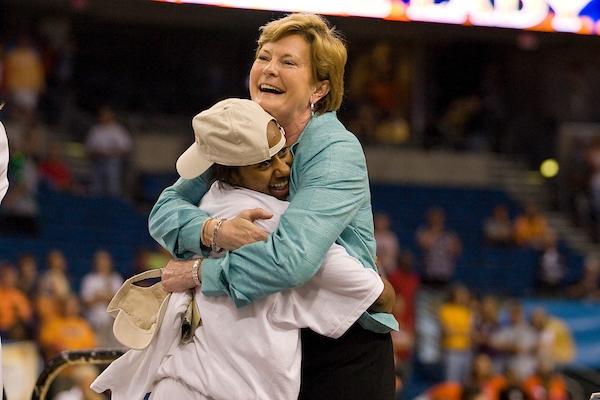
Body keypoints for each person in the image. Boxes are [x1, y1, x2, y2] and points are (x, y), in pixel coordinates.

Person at [148, 13, 396, 399]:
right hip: (268, 340)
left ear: (318, 89)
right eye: (264, 57)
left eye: (288, 62)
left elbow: (291, 260)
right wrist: (215, 230)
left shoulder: (335, 150)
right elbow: (164, 209)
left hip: (339, 348)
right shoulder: (243, 130)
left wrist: (198, 272)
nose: (269, 69)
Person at [92, 98, 389, 399]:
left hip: (175, 386)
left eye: (283, 153)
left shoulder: (200, 204)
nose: (283, 169)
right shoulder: (279, 223)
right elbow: (377, 295)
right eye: (264, 163)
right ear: (229, 172)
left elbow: (163, 212)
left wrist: (201, 259)